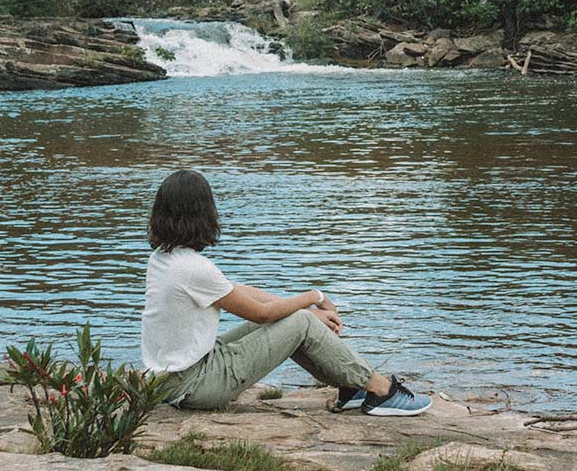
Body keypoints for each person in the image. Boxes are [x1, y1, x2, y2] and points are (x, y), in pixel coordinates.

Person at [141, 169, 430, 415]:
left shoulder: (164, 260)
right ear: (203, 213)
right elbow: (263, 314)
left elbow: (238, 292)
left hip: (172, 381)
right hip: (196, 386)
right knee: (299, 323)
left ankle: (351, 387)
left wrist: (302, 310)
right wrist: (313, 298)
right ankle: (381, 390)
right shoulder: (193, 268)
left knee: (295, 319)